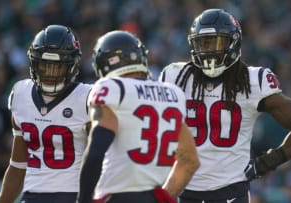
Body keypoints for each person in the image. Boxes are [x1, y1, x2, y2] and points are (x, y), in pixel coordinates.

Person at [159, 9, 291, 203]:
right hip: (184, 189)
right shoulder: (176, 76)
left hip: (230, 192)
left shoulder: (252, 81)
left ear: (233, 43)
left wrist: (266, 163)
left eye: (217, 42)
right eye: (204, 43)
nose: (210, 50)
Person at [77, 30, 200, 203]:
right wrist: (163, 197)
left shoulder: (112, 88)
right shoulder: (173, 94)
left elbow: (96, 153)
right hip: (153, 195)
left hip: (118, 197)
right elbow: (190, 161)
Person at [0, 25, 92, 203]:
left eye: (58, 67)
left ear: (72, 66)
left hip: (73, 196)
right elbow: (17, 166)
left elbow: (100, 160)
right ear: (34, 63)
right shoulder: (20, 94)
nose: (50, 73)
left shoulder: (87, 98)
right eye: (45, 66)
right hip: (32, 195)